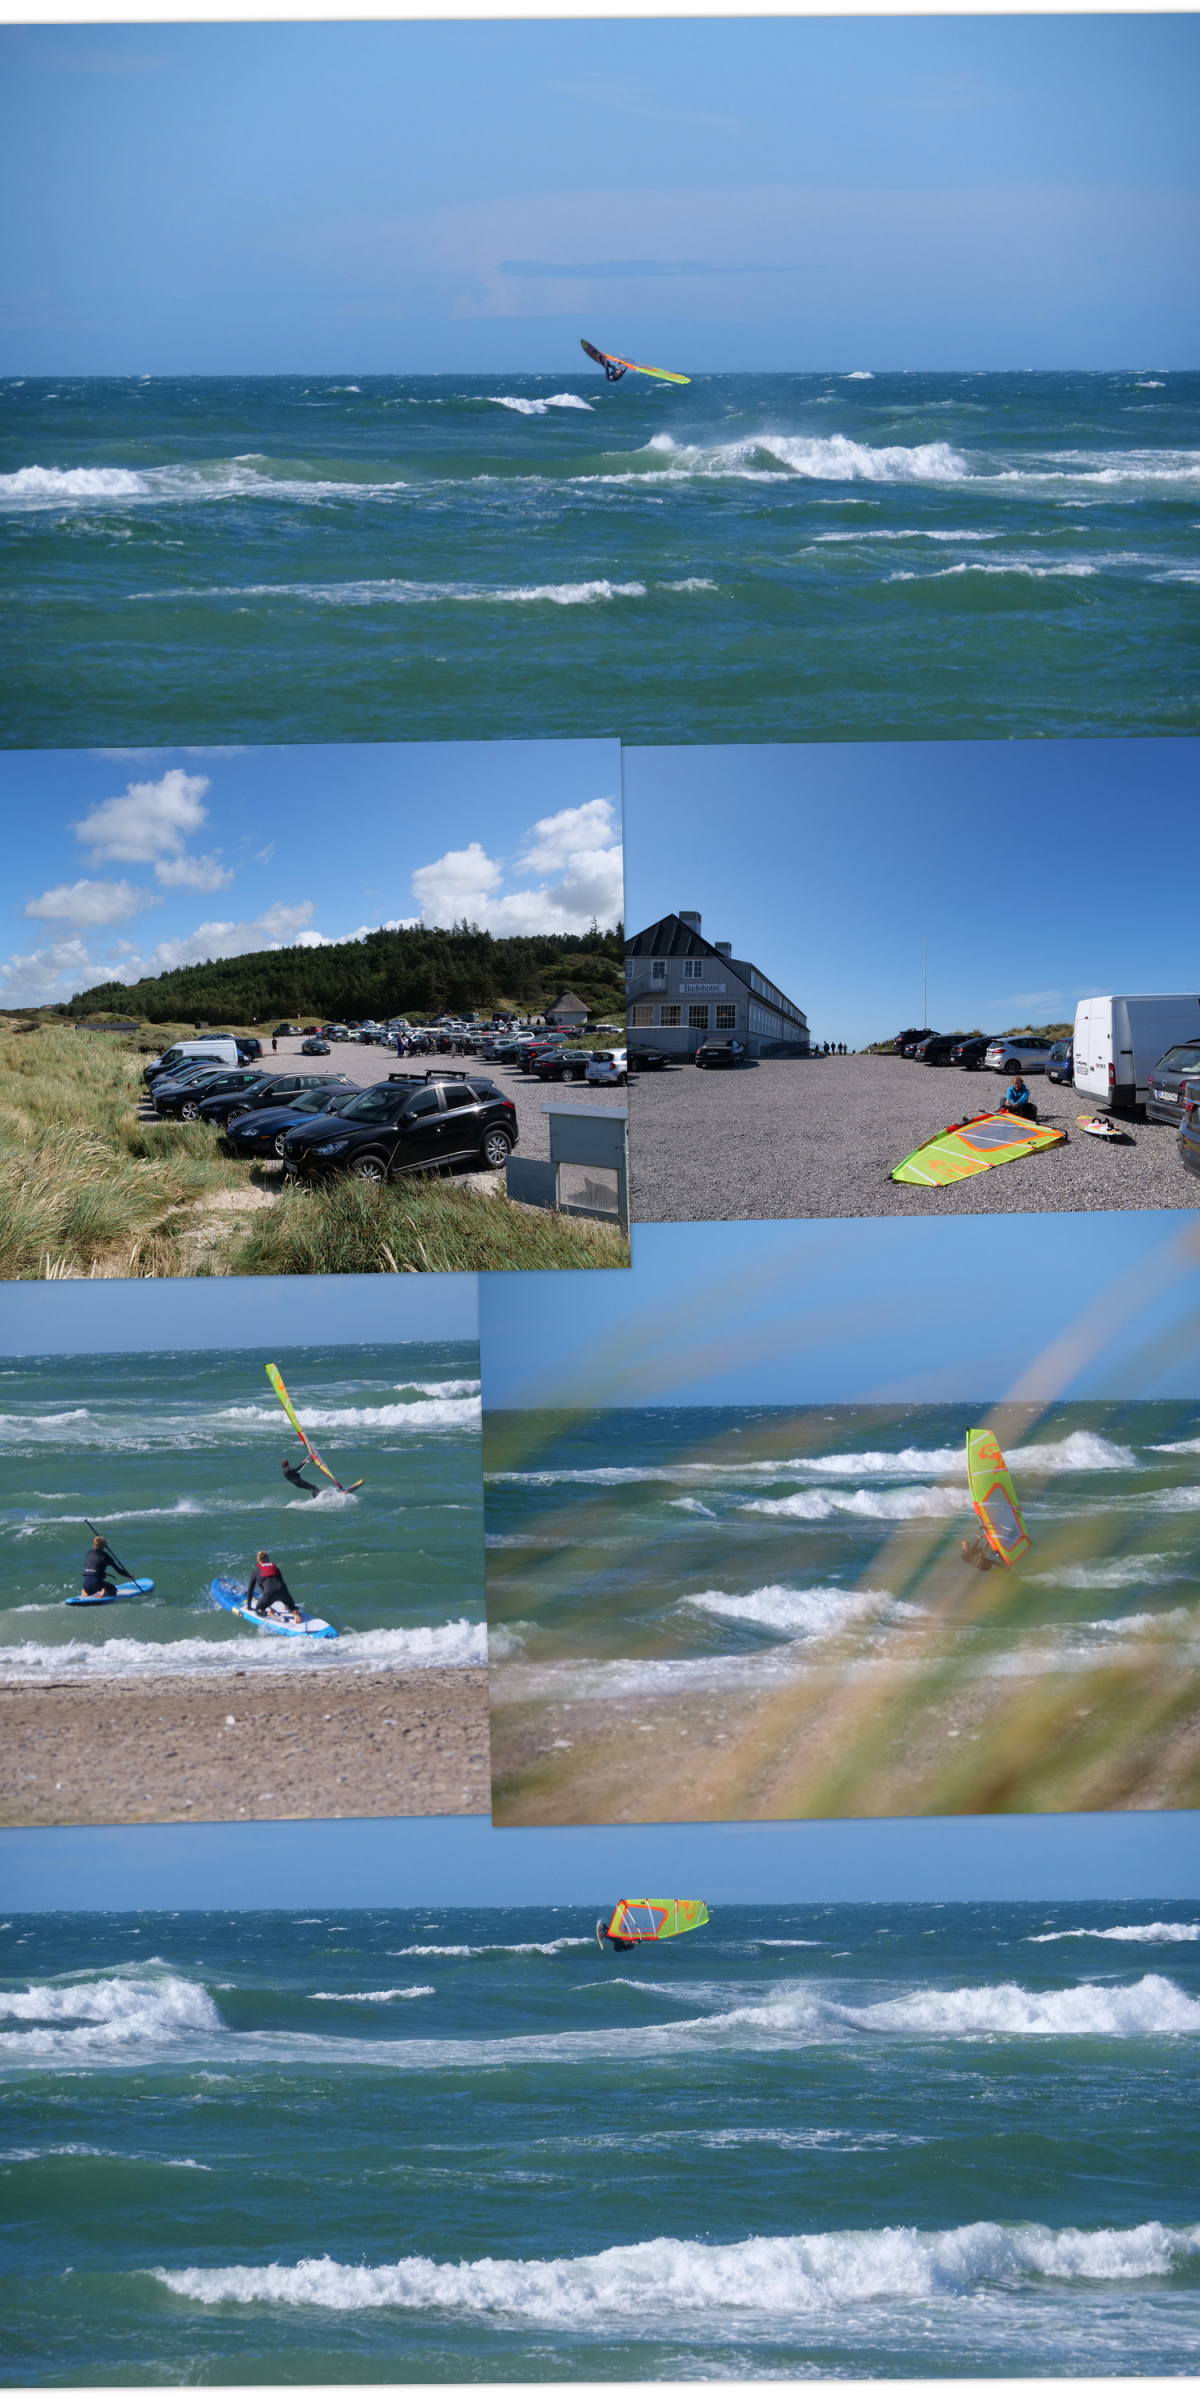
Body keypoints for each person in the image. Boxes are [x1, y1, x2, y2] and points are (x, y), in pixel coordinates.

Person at [246, 1551, 304, 1623]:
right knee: (292, 1606)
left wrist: (249, 1607)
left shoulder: (256, 1571)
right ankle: (294, 1611)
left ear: (257, 1561)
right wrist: (286, 1604)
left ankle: (268, 1613)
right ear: (268, 1559)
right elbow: (283, 1583)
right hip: (283, 1591)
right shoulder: (276, 1568)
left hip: (269, 1593)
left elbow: (250, 1589)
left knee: (258, 1610)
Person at [81, 1533, 119, 1599]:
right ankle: (103, 1591)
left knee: (91, 1590)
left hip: (86, 1583)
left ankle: (84, 1591)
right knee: (113, 1589)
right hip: (97, 1583)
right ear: (105, 1545)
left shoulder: (88, 1553)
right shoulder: (105, 1556)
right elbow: (118, 1570)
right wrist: (128, 1575)